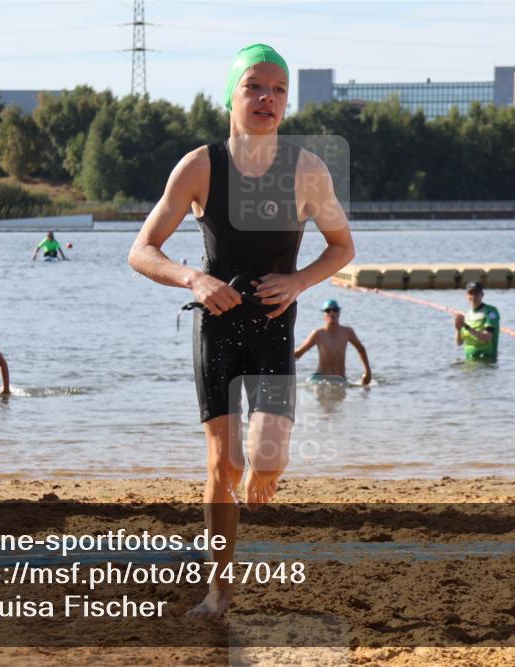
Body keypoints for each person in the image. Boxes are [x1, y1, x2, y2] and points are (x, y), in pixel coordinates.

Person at [127, 43, 354, 618]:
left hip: (274, 329)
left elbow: (341, 247)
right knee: (224, 463)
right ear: (231, 95)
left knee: (267, 459)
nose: (267, 98)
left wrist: (298, 282)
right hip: (218, 329)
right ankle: (219, 590)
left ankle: (263, 472)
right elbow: (142, 250)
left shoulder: (306, 169)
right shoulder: (201, 166)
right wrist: (194, 280)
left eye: (278, 90)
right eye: (254, 86)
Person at [295, 299, 371, 385]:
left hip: (341, 379)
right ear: (324, 315)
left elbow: (361, 348)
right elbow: (298, 353)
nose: (332, 313)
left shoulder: (347, 332)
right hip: (320, 379)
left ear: (339, 313)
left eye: (335, 310)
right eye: (328, 311)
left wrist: (367, 372)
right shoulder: (318, 334)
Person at [454, 282, 500, 362]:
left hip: (486, 361)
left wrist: (466, 326)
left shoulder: (490, 311)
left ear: (482, 294)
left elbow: (486, 338)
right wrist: (458, 329)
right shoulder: (467, 315)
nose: (473, 296)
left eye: (476, 293)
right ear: (466, 296)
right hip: (469, 361)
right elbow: (459, 343)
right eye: (471, 293)